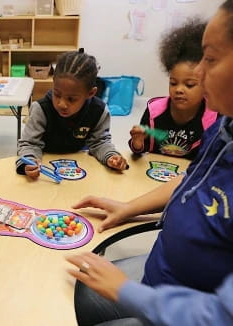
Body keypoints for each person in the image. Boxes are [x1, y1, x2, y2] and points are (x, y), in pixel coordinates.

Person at [66, 3, 233, 325]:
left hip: (185, 311)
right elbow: (191, 179)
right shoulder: (224, 125)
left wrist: (126, 292)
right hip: (161, 273)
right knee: (74, 292)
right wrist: (127, 207)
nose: (197, 73)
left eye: (210, 59)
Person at [16, 50, 128, 179]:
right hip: (46, 170)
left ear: (90, 93)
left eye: (71, 99)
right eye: (57, 94)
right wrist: (29, 161)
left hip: (80, 170)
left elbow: (99, 143)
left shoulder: (99, 111)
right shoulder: (41, 109)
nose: (62, 104)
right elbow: (30, 144)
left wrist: (111, 156)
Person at [129, 19, 218, 160]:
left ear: (206, 85)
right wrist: (138, 143)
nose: (179, 90)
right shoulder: (154, 111)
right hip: (154, 174)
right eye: (173, 83)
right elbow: (141, 149)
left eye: (189, 85)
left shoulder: (213, 118)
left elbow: (211, 160)